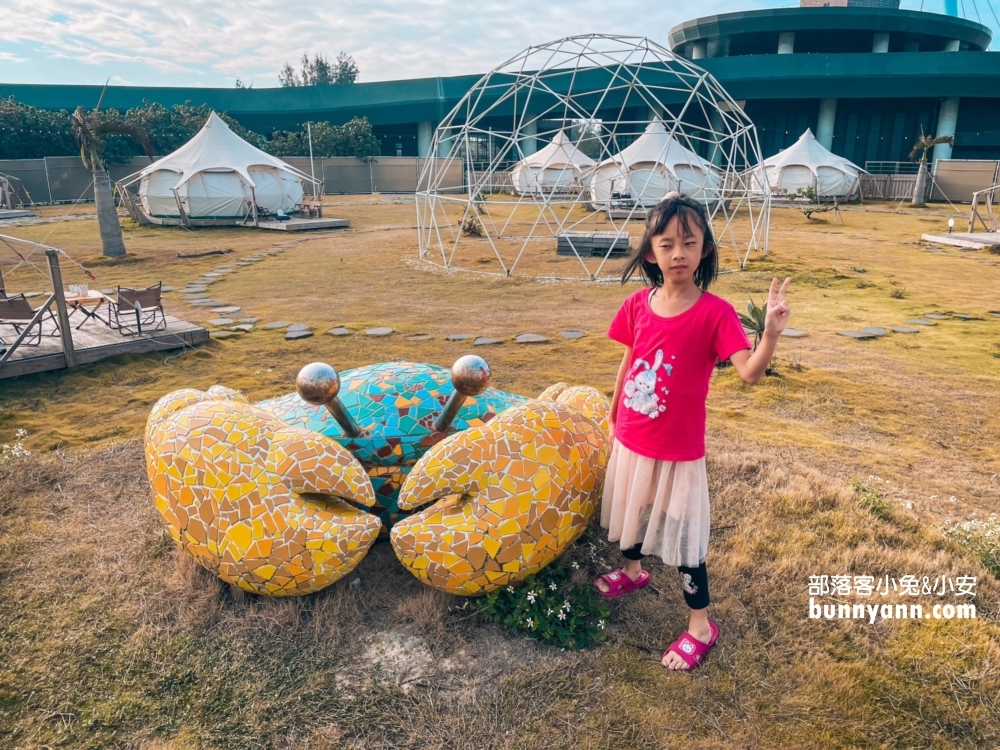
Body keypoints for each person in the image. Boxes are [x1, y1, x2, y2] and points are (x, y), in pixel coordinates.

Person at [593, 193, 791, 671]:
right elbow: (627, 362)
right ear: (650, 253)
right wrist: (615, 412)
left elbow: (748, 374)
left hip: (679, 449)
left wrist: (769, 336)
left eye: (689, 242)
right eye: (666, 243)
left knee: (685, 537)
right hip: (633, 437)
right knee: (632, 508)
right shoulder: (637, 305)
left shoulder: (715, 313)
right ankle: (634, 571)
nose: (677, 252)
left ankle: (700, 626)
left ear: (704, 250)